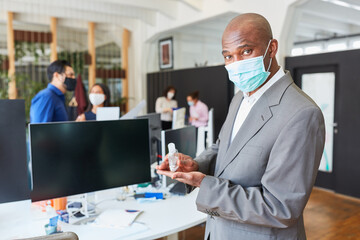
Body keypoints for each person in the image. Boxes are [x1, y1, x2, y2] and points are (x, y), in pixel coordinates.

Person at [157, 13, 325, 240]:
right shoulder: (240, 98)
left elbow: (280, 207)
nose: (236, 64)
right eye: (228, 56)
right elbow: (222, 148)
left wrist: (204, 184)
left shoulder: (301, 114)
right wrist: (196, 165)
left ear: (272, 48)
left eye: (246, 51)